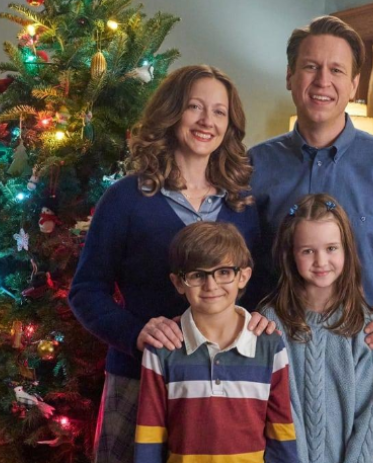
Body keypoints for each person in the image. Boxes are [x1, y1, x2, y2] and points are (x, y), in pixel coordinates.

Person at [248, 16, 373, 461]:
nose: (322, 81)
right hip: (277, 372)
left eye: (336, 70)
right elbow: (241, 265)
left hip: (363, 370)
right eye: (310, 67)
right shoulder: (254, 166)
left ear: (354, 84)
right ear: (290, 77)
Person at [69, 65, 274, 463]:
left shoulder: (242, 205)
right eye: (194, 107)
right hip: (140, 377)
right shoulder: (125, 199)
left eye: (219, 111)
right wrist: (136, 334)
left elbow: (261, 284)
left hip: (223, 385)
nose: (206, 121)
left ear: (229, 125)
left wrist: (263, 317)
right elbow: (85, 291)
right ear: (171, 112)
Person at [135, 222, 298, 463]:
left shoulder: (269, 345)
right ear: (179, 282)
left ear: (243, 276)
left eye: (223, 272)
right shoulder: (162, 348)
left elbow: (281, 432)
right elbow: (149, 438)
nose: (211, 285)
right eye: (197, 275)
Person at [261, 194, 373, 463]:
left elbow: (371, 420)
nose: (321, 261)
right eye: (308, 251)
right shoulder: (270, 323)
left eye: (331, 248)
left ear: (346, 250)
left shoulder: (369, 327)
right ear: (291, 254)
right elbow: (271, 411)